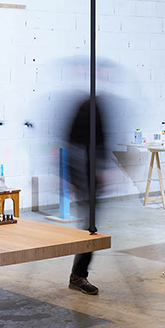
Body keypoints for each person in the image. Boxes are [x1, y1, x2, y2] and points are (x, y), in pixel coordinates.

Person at [66, 94, 107, 295]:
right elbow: (73, 145)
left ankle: (78, 274)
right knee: (89, 229)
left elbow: (100, 145)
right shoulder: (87, 108)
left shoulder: (97, 106)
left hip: (90, 178)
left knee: (90, 228)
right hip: (85, 178)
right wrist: (75, 179)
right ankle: (78, 275)